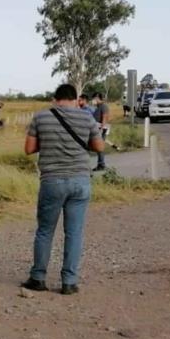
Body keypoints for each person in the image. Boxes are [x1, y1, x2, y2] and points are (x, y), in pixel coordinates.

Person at [21, 84, 105, 296]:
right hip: (80, 181)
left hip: (52, 181)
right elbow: (99, 147)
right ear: (76, 99)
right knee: (74, 233)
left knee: (45, 231)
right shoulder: (87, 118)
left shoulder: (41, 117)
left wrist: (48, 143)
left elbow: (29, 149)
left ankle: (38, 277)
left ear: (55, 98)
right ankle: (69, 282)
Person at [91, 93, 110, 171]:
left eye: (94, 99)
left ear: (97, 98)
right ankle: (100, 164)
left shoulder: (104, 106)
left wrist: (101, 129)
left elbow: (105, 117)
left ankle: (101, 165)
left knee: (100, 148)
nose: (93, 101)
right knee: (98, 148)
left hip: (102, 129)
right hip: (97, 129)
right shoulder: (98, 107)